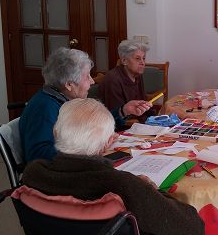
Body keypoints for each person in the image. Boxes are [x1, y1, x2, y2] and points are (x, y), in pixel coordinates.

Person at [22, 98, 204, 235]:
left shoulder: (33, 174)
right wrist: (151, 190)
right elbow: (193, 231)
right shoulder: (125, 186)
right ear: (108, 143)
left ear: (55, 133)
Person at [19, 47, 151, 163]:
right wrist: (88, 148)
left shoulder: (63, 100)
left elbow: (92, 124)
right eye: (87, 76)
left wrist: (123, 110)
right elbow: (38, 155)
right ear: (69, 84)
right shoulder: (44, 108)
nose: (92, 81)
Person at [98, 40, 151, 112]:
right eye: (137, 58)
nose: (143, 63)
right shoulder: (113, 80)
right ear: (124, 61)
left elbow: (142, 103)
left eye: (143, 58)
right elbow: (116, 114)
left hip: (138, 116)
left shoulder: (137, 74)